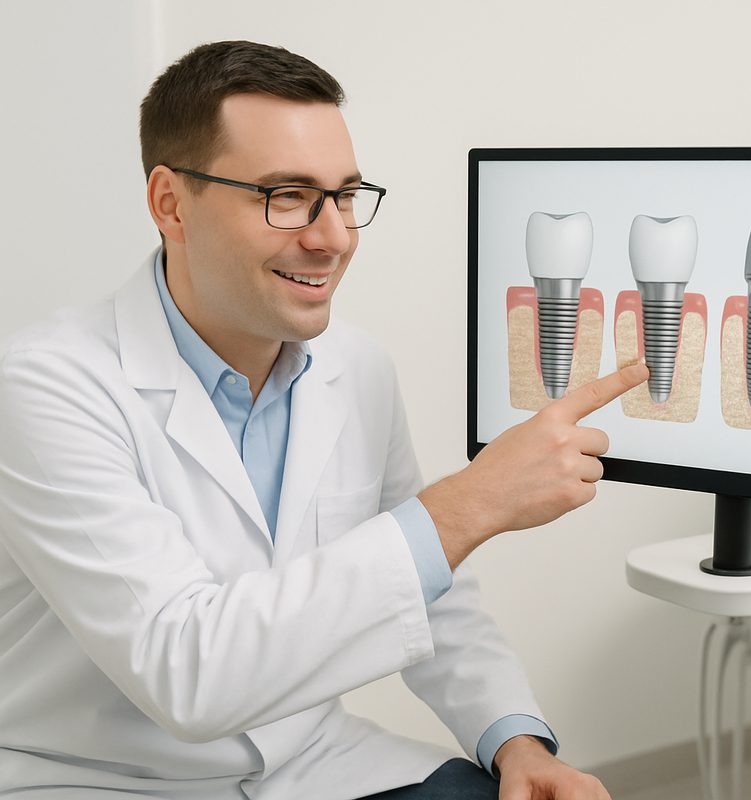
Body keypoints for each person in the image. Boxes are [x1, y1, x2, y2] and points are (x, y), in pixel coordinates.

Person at [0, 40, 648, 799]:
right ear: (170, 203)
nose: (333, 236)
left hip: (315, 768)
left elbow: (429, 593)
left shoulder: (356, 367)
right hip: (108, 780)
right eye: (286, 195)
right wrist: (472, 501)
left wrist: (517, 742)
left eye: (344, 195)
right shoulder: (48, 387)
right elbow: (186, 673)